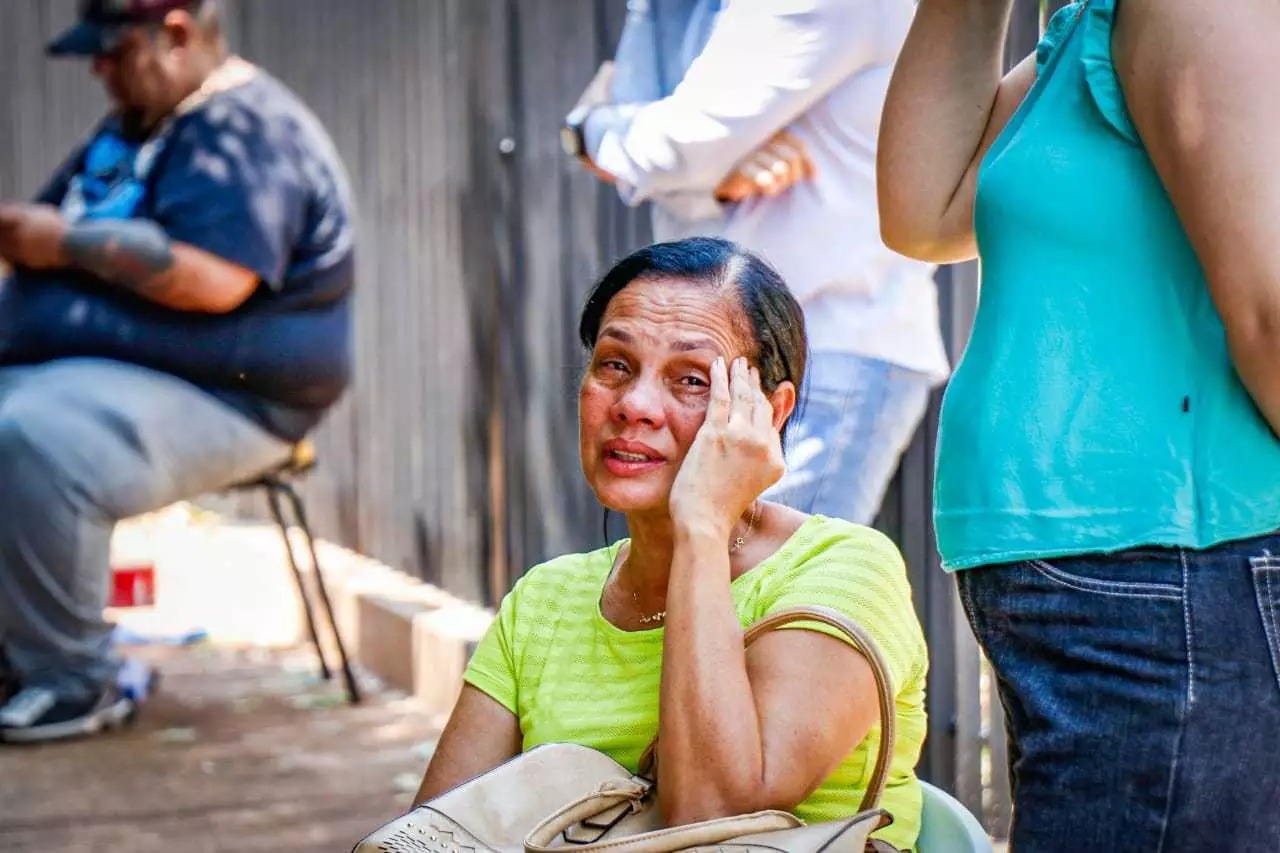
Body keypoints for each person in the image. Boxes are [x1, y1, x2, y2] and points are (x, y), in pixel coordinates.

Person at [879, 0, 1280, 849]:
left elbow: (1271, 314)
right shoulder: (1096, 21)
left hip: (1179, 571)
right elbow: (924, 208)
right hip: (1114, 585)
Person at [414, 238, 928, 851]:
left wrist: (703, 524)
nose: (634, 406)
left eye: (689, 378)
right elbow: (432, 836)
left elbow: (711, 813)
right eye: (614, 365)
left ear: (770, 411)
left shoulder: (843, 568)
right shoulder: (544, 601)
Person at [0, 0, 355, 742]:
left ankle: (74, 680)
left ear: (177, 35)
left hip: (234, 401)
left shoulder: (247, 132)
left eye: (113, 50)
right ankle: (17, 652)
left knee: (30, 436)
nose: (99, 68)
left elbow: (214, 279)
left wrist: (63, 242)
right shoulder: (135, 123)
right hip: (104, 375)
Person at [562, 0, 947, 526]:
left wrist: (587, 131)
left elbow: (675, 146)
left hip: (826, 347)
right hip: (712, 351)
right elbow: (665, 146)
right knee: (700, 576)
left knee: (769, 590)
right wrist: (708, 178)